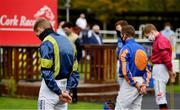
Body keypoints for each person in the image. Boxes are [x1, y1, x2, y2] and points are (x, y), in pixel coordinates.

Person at [33, 18, 80, 110]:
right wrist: (67, 90)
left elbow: (46, 71)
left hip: (50, 89)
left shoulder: (46, 43)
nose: (37, 36)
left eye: (37, 32)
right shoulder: (68, 41)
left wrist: (58, 92)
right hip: (65, 87)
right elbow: (75, 71)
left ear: (41, 29)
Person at [115, 25, 152, 110]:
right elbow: (148, 69)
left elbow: (125, 71)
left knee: (120, 107)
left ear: (124, 35)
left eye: (121, 34)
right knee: (135, 108)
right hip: (141, 81)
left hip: (130, 82)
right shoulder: (142, 48)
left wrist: (136, 84)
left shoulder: (125, 48)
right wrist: (144, 85)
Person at [143, 24, 176, 110]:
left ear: (152, 32)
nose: (148, 39)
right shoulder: (159, 40)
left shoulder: (160, 40)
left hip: (160, 68)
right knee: (160, 95)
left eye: (147, 36)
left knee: (160, 96)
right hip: (161, 67)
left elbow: (166, 58)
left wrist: (171, 71)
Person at [62, 22, 82, 103]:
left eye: (66, 29)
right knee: (66, 79)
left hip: (74, 61)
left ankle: (75, 97)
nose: (65, 31)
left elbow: (80, 50)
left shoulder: (76, 37)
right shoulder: (64, 37)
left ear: (71, 28)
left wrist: (77, 60)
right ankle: (67, 95)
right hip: (66, 61)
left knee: (73, 79)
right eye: (64, 30)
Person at [115, 20, 128, 86]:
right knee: (119, 77)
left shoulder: (126, 36)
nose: (117, 28)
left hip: (125, 60)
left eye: (118, 26)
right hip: (119, 59)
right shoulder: (119, 37)